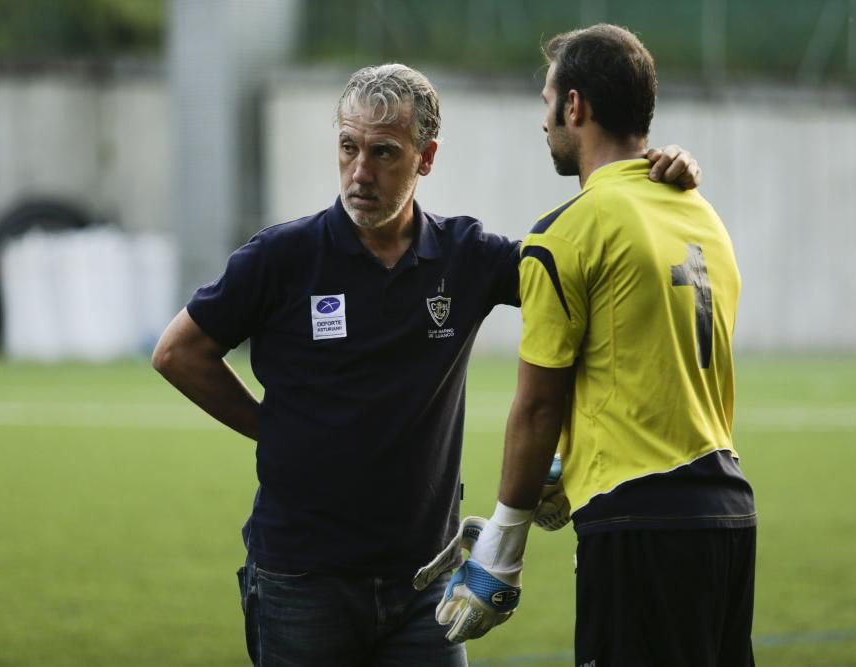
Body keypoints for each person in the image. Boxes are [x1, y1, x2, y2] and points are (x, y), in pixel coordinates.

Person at [152, 62, 701, 666]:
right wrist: (271, 427)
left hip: (426, 581)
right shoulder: (282, 257)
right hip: (301, 578)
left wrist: (650, 174)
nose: (360, 173)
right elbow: (178, 351)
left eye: (384, 152)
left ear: (426, 157)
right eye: (347, 147)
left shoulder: (465, 256)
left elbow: (581, 277)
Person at [431, 25, 758, 666]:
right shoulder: (704, 216)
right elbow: (643, 361)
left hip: (638, 522)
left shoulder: (566, 233)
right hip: (728, 513)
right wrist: (573, 463)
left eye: (547, 102)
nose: (543, 122)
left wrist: (504, 542)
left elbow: (536, 407)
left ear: (574, 106)